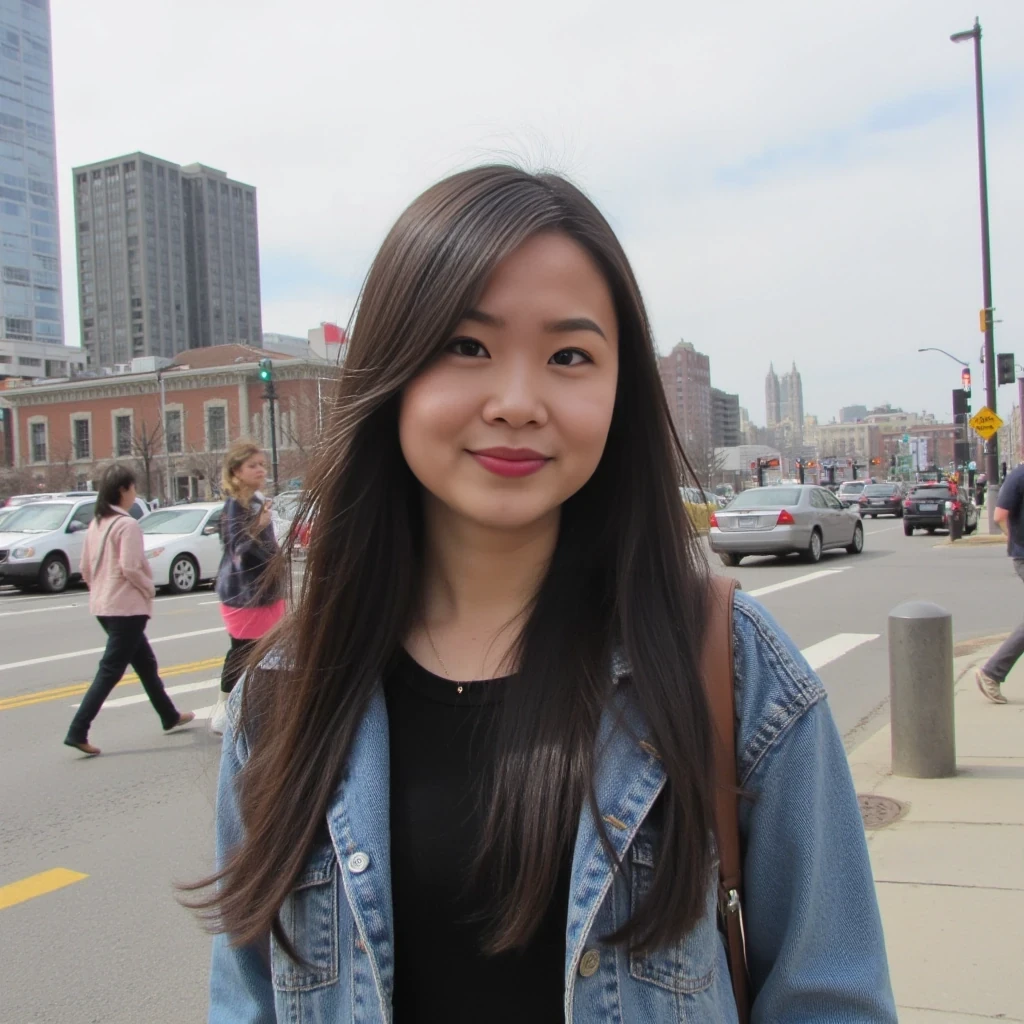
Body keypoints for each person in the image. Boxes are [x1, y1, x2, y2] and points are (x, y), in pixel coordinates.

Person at [192, 167, 895, 1022]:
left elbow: (833, 999)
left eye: (569, 356)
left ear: (617, 390)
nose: (518, 403)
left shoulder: (735, 668)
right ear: (392, 372)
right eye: (467, 346)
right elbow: (248, 999)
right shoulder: (286, 693)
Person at [65, 464, 194, 756]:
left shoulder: (97, 524)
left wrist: (99, 588)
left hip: (103, 604)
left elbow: (85, 567)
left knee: (145, 663)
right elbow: (131, 566)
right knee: (110, 670)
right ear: (123, 490)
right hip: (126, 607)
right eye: (133, 488)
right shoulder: (127, 525)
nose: (135, 494)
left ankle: (169, 715)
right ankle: (78, 729)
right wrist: (149, 587)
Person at [208, 442, 285, 737]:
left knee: (269, 651)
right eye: (254, 465)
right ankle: (224, 709)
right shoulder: (233, 507)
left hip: (266, 591)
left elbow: (267, 547)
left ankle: (260, 708)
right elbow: (237, 549)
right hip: (243, 594)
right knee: (242, 652)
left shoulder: (256, 502)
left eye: (263, 465)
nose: (261, 470)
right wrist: (259, 525)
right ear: (237, 471)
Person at [975, 461, 1024, 703]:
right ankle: (991, 672)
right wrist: (1013, 538)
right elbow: (999, 516)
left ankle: (992, 672)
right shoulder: (1019, 476)